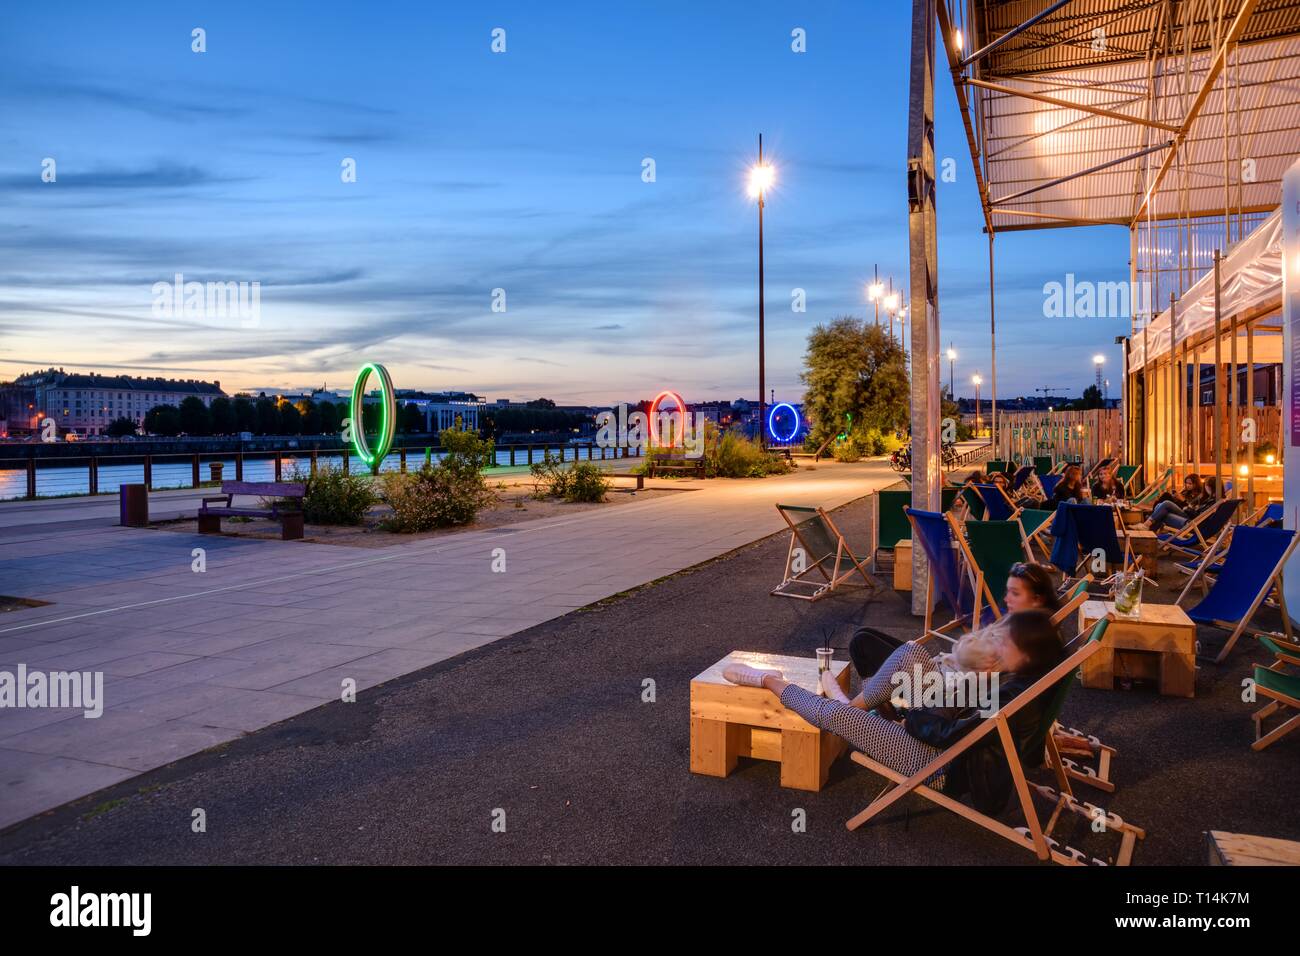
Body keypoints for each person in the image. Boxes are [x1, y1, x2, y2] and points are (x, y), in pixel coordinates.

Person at [724, 611, 1066, 809]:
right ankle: (851, 707)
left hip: (940, 766)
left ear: (1027, 652)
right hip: (942, 739)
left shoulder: (1014, 695)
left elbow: (955, 735)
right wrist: (929, 711)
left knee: (839, 718)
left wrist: (912, 720)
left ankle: (769, 680)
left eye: (1008, 641)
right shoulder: (1022, 676)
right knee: (910, 653)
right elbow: (962, 710)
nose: (1000, 641)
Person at [849, 561, 1061, 677]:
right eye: (1008, 592)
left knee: (862, 643)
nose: (1006, 599)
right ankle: (880, 699)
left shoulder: (1024, 639)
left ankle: (884, 706)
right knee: (865, 634)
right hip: (942, 669)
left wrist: (966, 644)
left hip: (938, 686)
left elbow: (968, 657)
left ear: (1037, 599)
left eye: (1015, 593)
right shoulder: (1019, 624)